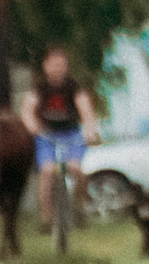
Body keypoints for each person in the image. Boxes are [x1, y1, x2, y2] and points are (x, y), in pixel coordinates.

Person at [18, 46, 100, 240]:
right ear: (46, 66)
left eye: (61, 65)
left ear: (66, 67)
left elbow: (86, 111)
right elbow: (27, 111)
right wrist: (32, 126)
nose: (57, 68)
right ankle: (46, 217)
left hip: (72, 136)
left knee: (75, 168)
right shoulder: (39, 89)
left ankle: (80, 206)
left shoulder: (74, 88)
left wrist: (90, 130)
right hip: (46, 136)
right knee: (47, 171)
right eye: (54, 65)